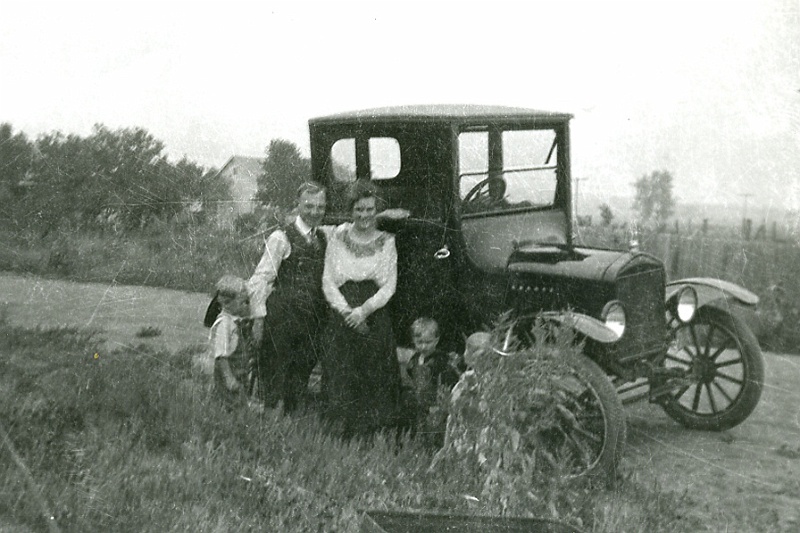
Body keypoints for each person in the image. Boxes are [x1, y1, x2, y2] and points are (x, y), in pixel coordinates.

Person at [321, 180, 402, 438]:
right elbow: (328, 280)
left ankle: (374, 431)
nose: (364, 215)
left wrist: (363, 311)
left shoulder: (387, 241)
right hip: (342, 308)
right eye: (359, 209)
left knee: (374, 368)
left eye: (369, 209)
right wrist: (346, 312)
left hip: (373, 310)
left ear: (376, 210)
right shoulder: (338, 236)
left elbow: (389, 286)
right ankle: (343, 430)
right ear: (351, 210)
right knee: (342, 366)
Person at [248, 182, 328, 412]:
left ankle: (290, 429)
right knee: (276, 376)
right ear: (298, 205)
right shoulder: (281, 237)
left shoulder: (322, 236)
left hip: (310, 319)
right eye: (309, 206)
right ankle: (271, 428)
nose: (314, 212)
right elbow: (261, 279)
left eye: (320, 207)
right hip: (283, 318)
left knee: (301, 374)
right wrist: (259, 319)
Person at [400, 317, 462, 446]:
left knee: (435, 431)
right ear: (413, 341)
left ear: (436, 340)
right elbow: (411, 376)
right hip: (419, 401)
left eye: (428, 342)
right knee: (420, 429)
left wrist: (441, 402)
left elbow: (447, 381)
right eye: (419, 342)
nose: (423, 346)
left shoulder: (440, 360)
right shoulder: (415, 359)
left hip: (434, 403)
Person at [209, 275, 251, 406]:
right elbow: (221, 355)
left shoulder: (236, 321)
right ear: (227, 303)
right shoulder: (225, 325)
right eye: (243, 302)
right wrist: (229, 378)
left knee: (240, 403)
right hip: (229, 373)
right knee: (229, 403)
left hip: (240, 373)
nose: (246, 305)